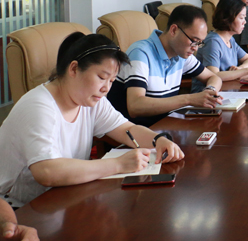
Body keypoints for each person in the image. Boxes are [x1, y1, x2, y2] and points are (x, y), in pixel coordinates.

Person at [0, 33, 184, 207]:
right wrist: (118, 164)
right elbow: (46, 171)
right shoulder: (38, 106)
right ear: (74, 68)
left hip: (63, 196)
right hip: (18, 208)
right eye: (102, 77)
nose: (106, 89)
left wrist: (158, 140)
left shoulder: (90, 100)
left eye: (111, 81)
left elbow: (126, 129)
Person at [108, 5, 223, 127]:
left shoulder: (182, 54)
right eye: (194, 40)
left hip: (166, 125)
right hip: (135, 131)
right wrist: (189, 99)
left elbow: (214, 77)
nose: (195, 48)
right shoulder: (141, 53)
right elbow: (135, 106)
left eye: (199, 43)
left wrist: (210, 91)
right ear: (174, 30)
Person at [192, 0, 248, 92]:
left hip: (228, 90)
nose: (245, 22)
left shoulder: (230, 39)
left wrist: (240, 68)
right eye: (241, 18)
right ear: (228, 18)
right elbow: (214, 75)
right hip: (207, 94)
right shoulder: (213, 42)